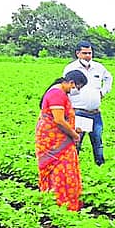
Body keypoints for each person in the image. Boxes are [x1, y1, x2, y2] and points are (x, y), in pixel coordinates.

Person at [35, 70, 89, 211]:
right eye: (77, 87)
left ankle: (59, 203)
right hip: (53, 139)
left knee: (63, 169)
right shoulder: (57, 94)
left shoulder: (59, 92)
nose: (75, 91)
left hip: (59, 137)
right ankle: (61, 204)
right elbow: (58, 120)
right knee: (63, 170)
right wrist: (74, 134)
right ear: (71, 83)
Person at [63, 41, 113, 166]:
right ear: (77, 54)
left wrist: (103, 92)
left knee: (98, 142)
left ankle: (100, 166)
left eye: (90, 53)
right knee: (77, 141)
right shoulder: (71, 68)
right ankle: (72, 167)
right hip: (79, 112)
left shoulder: (99, 67)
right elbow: (65, 87)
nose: (88, 56)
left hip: (95, 112)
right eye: (84, 53)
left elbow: (109, 78)